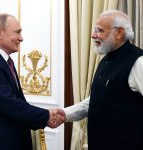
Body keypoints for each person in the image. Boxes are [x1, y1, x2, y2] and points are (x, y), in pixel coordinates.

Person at [59, 10, 143, 150]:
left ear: (119, 32)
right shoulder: (105, 60)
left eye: (99, 30)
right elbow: (96, 101)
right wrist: (64, 114)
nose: (93, 35)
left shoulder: (138, 61)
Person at [0, 13, 65, 150]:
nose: (21, 38)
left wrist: (42, 118)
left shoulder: (6, 61)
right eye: (17, 32)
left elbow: (19, 101)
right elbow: (9, 104)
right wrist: (46, 116)